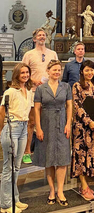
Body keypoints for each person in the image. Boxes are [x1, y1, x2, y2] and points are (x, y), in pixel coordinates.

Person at [33, 60, 72, 206]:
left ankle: (60, 191)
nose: (56, 72)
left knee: (62, 159)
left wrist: (68, 123)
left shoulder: (66, 86)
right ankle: (51, 190)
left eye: (58, 70)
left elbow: (69, 106)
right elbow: (37, 109)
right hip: (46, 123)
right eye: (54, 70)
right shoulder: (41, 89)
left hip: (62, 123)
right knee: (49, 158)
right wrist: (38, 127)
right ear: (48, 71)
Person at [22, 28, 58, 164]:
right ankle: (27, 151)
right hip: (33, 90)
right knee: (31, 122)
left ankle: (47, 150)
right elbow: (23, 72)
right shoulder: (29, 54)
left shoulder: (53, 53)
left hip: (49, 91)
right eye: (39, 35)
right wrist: (32, 81)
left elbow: (56, 70)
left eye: (44, 35)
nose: (42, 37)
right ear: (34, 39)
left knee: (48, 122)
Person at [0, 63, 32, 213]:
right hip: (12, 127)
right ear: (17, 75)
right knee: (9, 168)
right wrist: (1, 130)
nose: (25, 75)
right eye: (22, 73)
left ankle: (15, 199)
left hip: (24, 128)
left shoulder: (29, 90)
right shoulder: (10, 91)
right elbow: (2, 112)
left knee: (17, 167)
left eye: (27, 72)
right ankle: (5, 204)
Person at [71, 60, 94, 201]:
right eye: (87, 70)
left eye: (92, 70)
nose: (89, 73)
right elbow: (77, 106)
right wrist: (88, 122)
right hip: (81, 127)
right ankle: (83, 185)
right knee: (81, 156)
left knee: (91, 156)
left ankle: (86, 184)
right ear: (82, 71)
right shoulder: (77, 86)